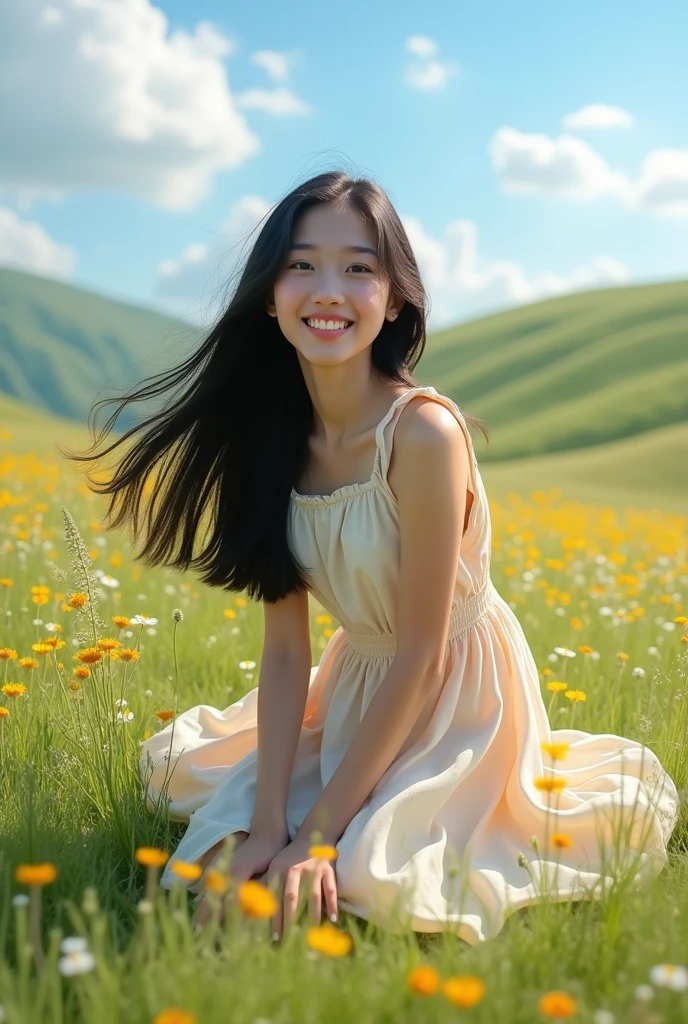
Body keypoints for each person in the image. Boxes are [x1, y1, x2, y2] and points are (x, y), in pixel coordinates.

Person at [63, 169, 679, 945]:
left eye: (359, 268)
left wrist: (314, 834)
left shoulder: (423, 436)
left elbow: (420, 655)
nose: (329, 289)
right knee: (226, 855)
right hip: (353, 686)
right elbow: (287, 653)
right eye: (302, 265)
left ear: (394, 299)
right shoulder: (270, 443)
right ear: (269, 293)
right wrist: (264, 829)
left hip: (457, 696)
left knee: (366, 874)